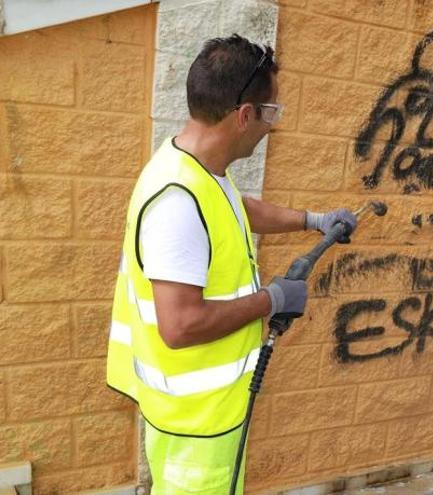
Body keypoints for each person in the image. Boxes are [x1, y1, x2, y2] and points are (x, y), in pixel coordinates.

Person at [105, 35, 357, 493]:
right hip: (195, 427)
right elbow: (179, 325)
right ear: (245, 116)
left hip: (208, 414)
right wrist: (272, 299)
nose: (272, 126)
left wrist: (313, 220)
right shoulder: (177, 202)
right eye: (271, 113)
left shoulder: (198, 171)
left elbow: (237, 208)